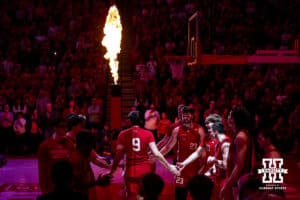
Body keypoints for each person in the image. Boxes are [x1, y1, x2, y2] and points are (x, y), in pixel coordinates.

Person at [104, 110, 179, 200]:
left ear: (130, 121)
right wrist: (169, 166)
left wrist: (111, 172)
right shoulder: (148, 134)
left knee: (132, 197)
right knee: (145, 195)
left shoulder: (122, 134)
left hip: (130, 171)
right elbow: (157, 153)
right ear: (140, 120)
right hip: (145, 171)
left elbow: (118, 156)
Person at [159, 106, 205, 200]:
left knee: (198, 196)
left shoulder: (200, 130)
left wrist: (203, 167)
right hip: (181, 169)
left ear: (192, 116)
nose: (185, 117)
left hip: (195, 169)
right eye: (184, 115)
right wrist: (157, 155)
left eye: (187, 115)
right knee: (180, 196)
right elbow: (168, 146)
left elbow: (203, 151)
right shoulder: (177, 130)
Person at [220, 106, 253, 200]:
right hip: (237, 182)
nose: (228, 117)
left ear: (235, 119)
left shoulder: (240, 137)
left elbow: (239, 166)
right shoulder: (239, 133)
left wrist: (227, 186)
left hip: (239, 183)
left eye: (230, 115)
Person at [38, 118, 74, 194]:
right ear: (55, 128)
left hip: (67, 188)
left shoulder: (70, 144)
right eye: (62, 126)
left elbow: (72, 167)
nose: (65, 129)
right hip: (51, 188)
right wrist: (44, 190)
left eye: (66, 126)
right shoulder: (44, 146)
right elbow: (42, 170)